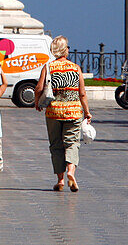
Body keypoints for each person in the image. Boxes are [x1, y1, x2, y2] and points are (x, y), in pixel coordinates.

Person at [35, 35, 91, 192]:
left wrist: (37, 102)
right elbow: (82, 93)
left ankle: (60, 180)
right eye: (67, 47)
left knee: (56, 145)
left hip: (53, 111)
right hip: (73, 111)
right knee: (72, 143)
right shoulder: (75, 68)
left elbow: (39, 88)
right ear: (64, 50)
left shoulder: (48, 67)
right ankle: (71, 172)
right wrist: (87, 112)